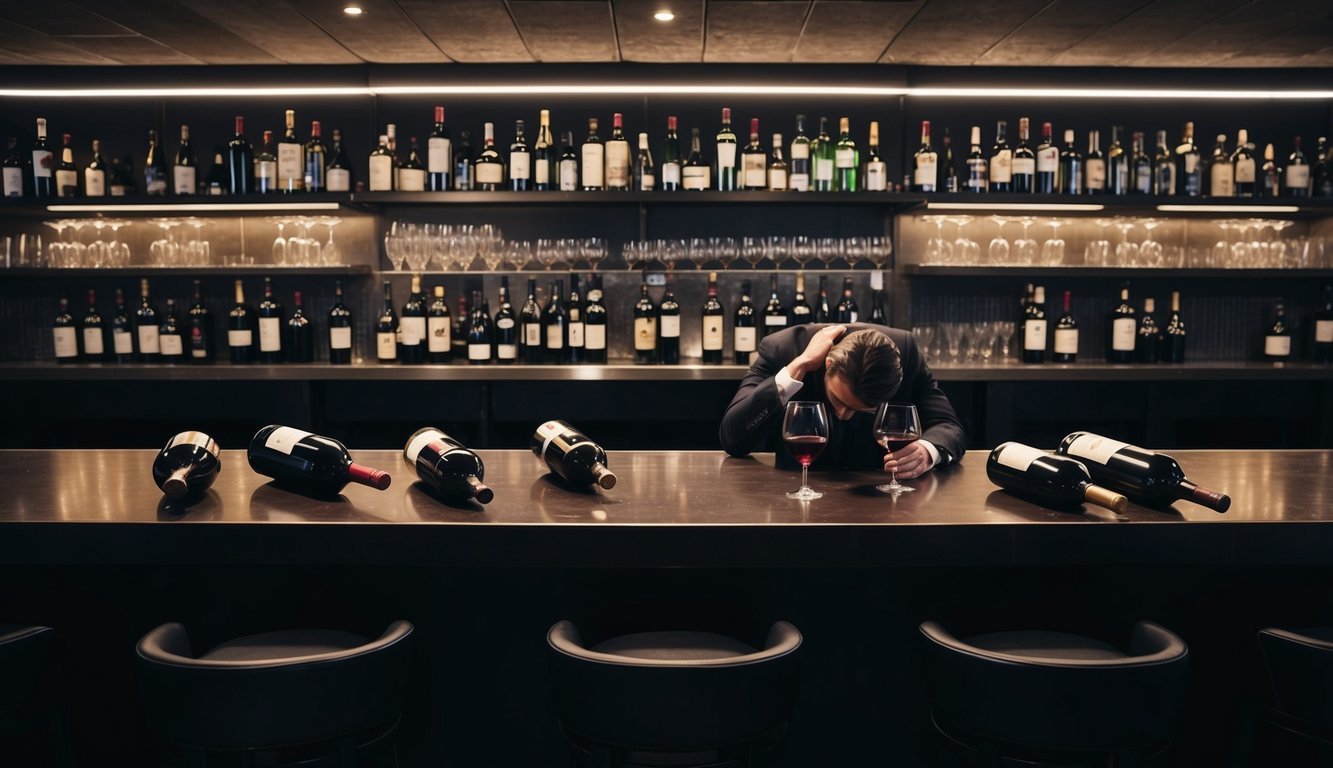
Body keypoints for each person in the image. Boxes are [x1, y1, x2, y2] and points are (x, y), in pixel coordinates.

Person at [720, 323, 965, 476]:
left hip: (882, 505)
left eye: (862, 409)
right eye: (839, 400)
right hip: (794, 499)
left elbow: (949, 427)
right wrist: (799, 366)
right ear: (828, 365)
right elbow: (733, 438)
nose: (842, 414)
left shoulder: (906, 351)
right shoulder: (784, 348)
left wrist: (927, 451)